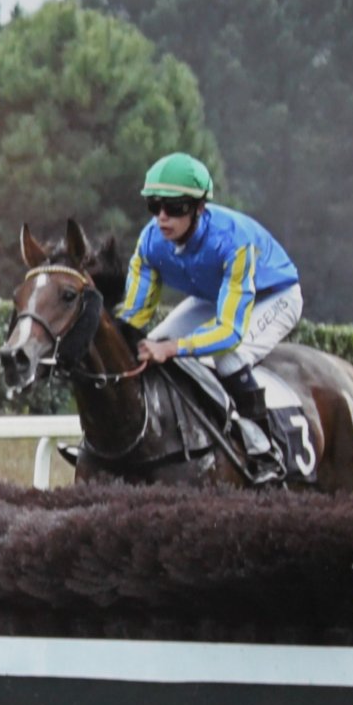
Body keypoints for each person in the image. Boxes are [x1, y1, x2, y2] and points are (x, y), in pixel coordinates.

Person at [115, 152, 301, 483]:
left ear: (199, 208)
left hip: (275, 295)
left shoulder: (231, 241)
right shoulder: (150, 241)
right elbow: (133, 315)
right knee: (149, 345)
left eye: (174, 208)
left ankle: (264, 450)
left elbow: (229, 331)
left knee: (229, 355)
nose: (162, 217)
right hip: (214, 296)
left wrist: (173, 348)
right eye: (154, 205)